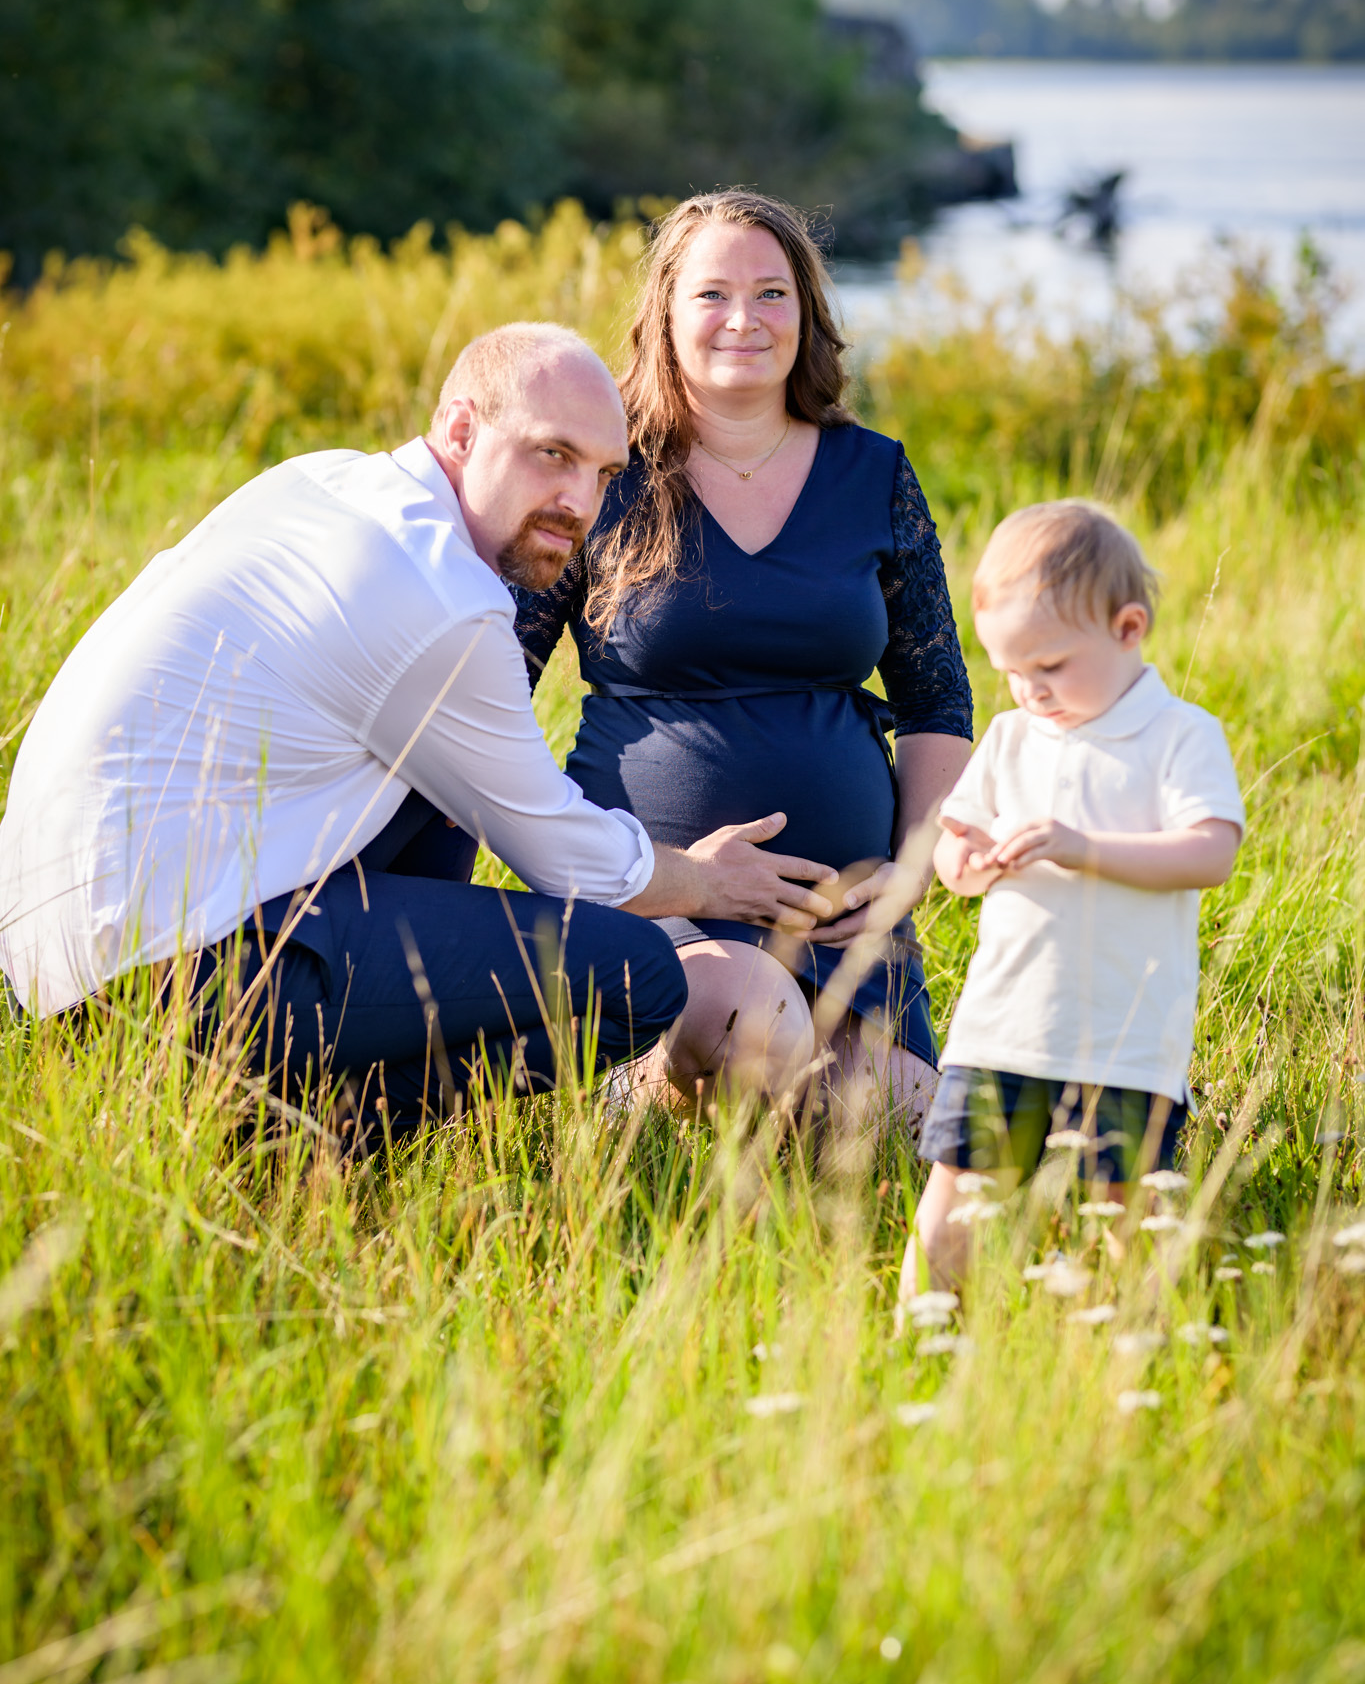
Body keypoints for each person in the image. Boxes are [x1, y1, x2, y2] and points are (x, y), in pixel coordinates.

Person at [0, 322, 846, 1133]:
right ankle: (287, 1136)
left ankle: (270, 1101)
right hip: (159, 980)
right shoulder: (439, 594)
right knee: (634, 975)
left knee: (433, 797)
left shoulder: (325, 481)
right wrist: (704, 882)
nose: (578, 502)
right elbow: (565, 858)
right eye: (551, 454)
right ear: (461, 428)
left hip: (56, 954)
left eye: (601, 472)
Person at [514, 191, 974, 1121]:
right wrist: (623, 864)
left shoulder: (873, 473)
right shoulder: (605, 474)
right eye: (711, 294)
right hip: (657, 895)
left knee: (893, 1120)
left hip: (842, 914)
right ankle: (619, 1094)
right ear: (664, 316)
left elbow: (936, 699)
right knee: (754, 1031)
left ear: (806, 314)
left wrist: (906, 873)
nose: (743, 320)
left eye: (771, 294)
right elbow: (494, 682)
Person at [897, 500, 1245, 1304]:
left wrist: (1078, 848)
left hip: (1123, 1040)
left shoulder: (1178, 735)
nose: (1029, 688)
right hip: (1004, 1028)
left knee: (1123, 1217)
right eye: (1010, 669)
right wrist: (966, 861)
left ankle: (1130, 1348)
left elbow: (1210, 852)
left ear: (1128, 628)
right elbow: (950, 849)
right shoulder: (1012, 739)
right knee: (953, 1195)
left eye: (1049, 665)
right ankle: (918, 1336)